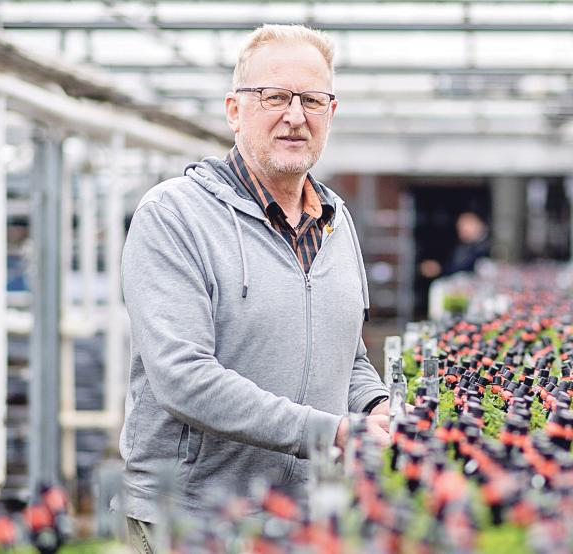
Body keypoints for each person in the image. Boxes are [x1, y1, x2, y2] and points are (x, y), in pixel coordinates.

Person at [117, 24, 391, 550]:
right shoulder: (174, 215)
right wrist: (328, 431)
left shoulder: (336, 220)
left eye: (312, 99)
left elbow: (347, 353)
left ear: (331, 113)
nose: (295, 116)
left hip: (303, 516)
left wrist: (374, 404)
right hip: (193, 518)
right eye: (274, 96)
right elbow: (182, 377)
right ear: (234, 110)